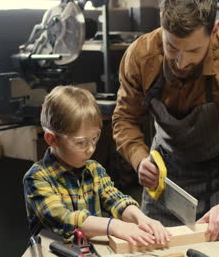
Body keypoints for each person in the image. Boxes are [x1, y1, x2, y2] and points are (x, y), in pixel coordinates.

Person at [112, 0, 219, 242]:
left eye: (194, 50)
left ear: (214, 30)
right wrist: (139, 158)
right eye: (172, 47)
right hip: (164, 180)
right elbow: (124, 120)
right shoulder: (140, 57)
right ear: (161, 22)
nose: (181, 61)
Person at [23, 85, 170, 246]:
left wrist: (141, 218)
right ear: (52, 139)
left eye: (94, 139)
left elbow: (116, 200)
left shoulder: (94, 170)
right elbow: (64, 219)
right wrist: (113, 225)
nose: (91, 149)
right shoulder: (37, 178)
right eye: (81, 143)